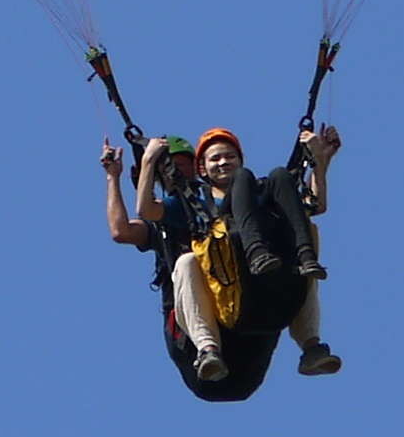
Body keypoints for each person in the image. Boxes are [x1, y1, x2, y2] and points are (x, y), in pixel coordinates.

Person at [101, 122, 343, 397]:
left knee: (300, 240)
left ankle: (312, 345)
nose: (178, 173)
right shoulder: (177, 215)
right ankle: (207, 348)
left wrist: (320, 162)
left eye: (183, 166)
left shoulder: (255, 194)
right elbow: (123, 229)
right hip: (205, 337)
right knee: (188, 261)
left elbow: (311, 206)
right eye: (170, 167)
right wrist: (118, 174)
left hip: (254, 311)